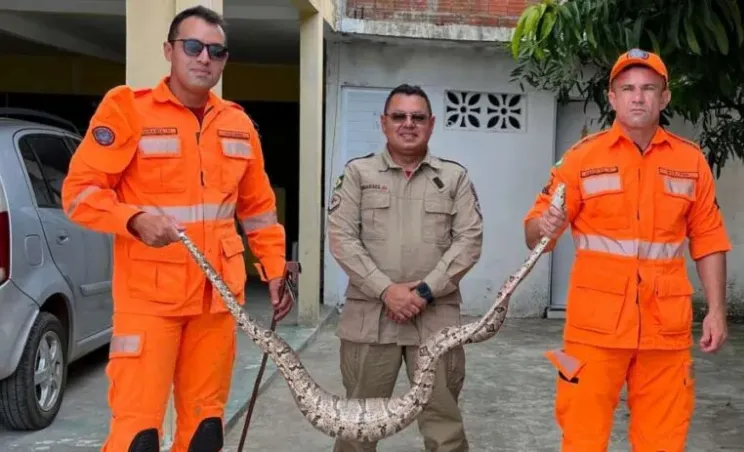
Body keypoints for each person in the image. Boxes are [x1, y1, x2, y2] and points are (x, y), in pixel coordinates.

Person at [60, 6, 292, 451]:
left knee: (206, 432)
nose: (204, 58)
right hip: (149, 302)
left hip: (217, 301)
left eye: (216, 50)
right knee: (138, 437)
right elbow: (79, 193)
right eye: (193, 47)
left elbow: (259, 209)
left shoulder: (238, 125)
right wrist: (133, 219)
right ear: (169, 50)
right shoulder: (128, 109)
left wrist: (275, 269)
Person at [522, 48, 732, 452]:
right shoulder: (582, 159)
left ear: (665, 98)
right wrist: (543, 226)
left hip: (664, 331)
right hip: (593, 332)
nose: (638, 97)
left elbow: (708, 238)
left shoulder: (691, 162)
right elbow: (536, 239)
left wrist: (718, 311)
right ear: (612, 97)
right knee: (582, 437)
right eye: (628, 88)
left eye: (649, 88)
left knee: (663, 440)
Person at [327, 83, 484, 452]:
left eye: (417, 117)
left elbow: (469, 241)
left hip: (435, 323)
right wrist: (387, 291)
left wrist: (424, 291)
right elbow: (341, 239)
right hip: (370, 320)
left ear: (431, 124)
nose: (408, 124)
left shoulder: (454, 177)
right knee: (357, 427)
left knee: (444, 427)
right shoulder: (357, 174)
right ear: (383, 123)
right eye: (399, 116)